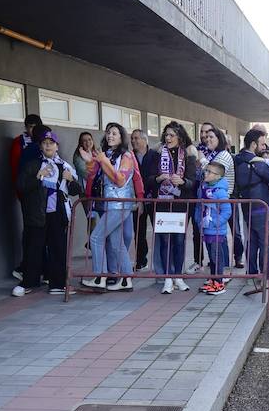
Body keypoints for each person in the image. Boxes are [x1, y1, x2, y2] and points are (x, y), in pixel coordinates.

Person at [15, 126, 81, 296]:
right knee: (33, 249)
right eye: (44, 143)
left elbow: (75, 190)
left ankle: (58, 283)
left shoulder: (64, 166)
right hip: (38, 213)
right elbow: (21, 186)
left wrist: (70, 180)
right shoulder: (33, 165)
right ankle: (28, 282)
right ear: (40, 146)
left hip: (57, 213)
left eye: (51, 143)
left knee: (58, 248)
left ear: (57, 146)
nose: (48, 146)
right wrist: (38, 177)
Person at [83, 123, 144, 292]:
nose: (110, 136)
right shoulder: (107, 154)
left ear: (121, 137)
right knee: (117, 243)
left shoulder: (126, 156)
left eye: (114, 133)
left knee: (96, 238)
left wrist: (102, 161)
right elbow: (93, 176)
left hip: (119, 205)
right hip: (111, 204)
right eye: (108, 133)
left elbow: (120, 180)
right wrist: (91, 162)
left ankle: (99, 277)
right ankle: (125, 280)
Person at [234, 129, 269, 285]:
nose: (265, 147)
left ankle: (252, 273)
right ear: (253, 144)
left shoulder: (238, 159)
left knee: (252, 242)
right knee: (267, 242)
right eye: (263, 144)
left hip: (247, 208)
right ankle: (266, 277)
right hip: (262, 208)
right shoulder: (256, 162)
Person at [149, 122, 196, 294]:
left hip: (180, 204)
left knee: (178, 240)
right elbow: (149, 179)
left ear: (180, 137)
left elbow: (192, 182)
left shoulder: (189, 155)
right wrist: (158, 179)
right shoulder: (156, 154)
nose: (168, 138)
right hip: (162, 203)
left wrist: (183, 182)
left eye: (172, 135)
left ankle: (178, 276)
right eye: (166, 135)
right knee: (165, 240)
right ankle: (168, 278)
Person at [191, 127, 234, 273]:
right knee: (211, 246)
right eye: (205, 136)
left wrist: (202, 160)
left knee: (219, 244)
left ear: (219, 139)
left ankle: (222, 274)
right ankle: (215, 274)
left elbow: (214, 171)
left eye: (211, 137)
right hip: (207, 205)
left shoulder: (223, 155)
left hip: (219, 204)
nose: (207, 139)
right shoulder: (210, 154)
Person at [9, 113, 42, 282]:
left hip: (44, 196)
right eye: (29, 126)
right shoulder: (19, 143)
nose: (31, 130)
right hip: (27, 193)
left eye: (35, 126)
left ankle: (40, 267)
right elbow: (16, 169)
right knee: (30, 231)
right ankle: (26, 268)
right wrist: (20, 192)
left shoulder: (46, 142)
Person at [194, 161, 233, 295]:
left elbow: (227, 211)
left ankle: (219, 283)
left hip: (216, 230)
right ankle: (213, 280)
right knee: (211, 256)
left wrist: (216, 222)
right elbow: (200, 207)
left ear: (218, 176)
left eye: (210, 172)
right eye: (206, 170)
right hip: (206, 228)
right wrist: (199, 221)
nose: (206, 173)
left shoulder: (220, 192)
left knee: (217, 256)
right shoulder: (204, 188)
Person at [130, 128, 155, 271]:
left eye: (136, 138)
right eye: (132, 138)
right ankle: (140, 259)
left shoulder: (154, 155)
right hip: (136, 199)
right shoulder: (129, 156)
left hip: (152, 199)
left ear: (145, 140)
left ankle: (160, 261)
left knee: (158, 230)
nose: (133, 141)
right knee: (139, 230)